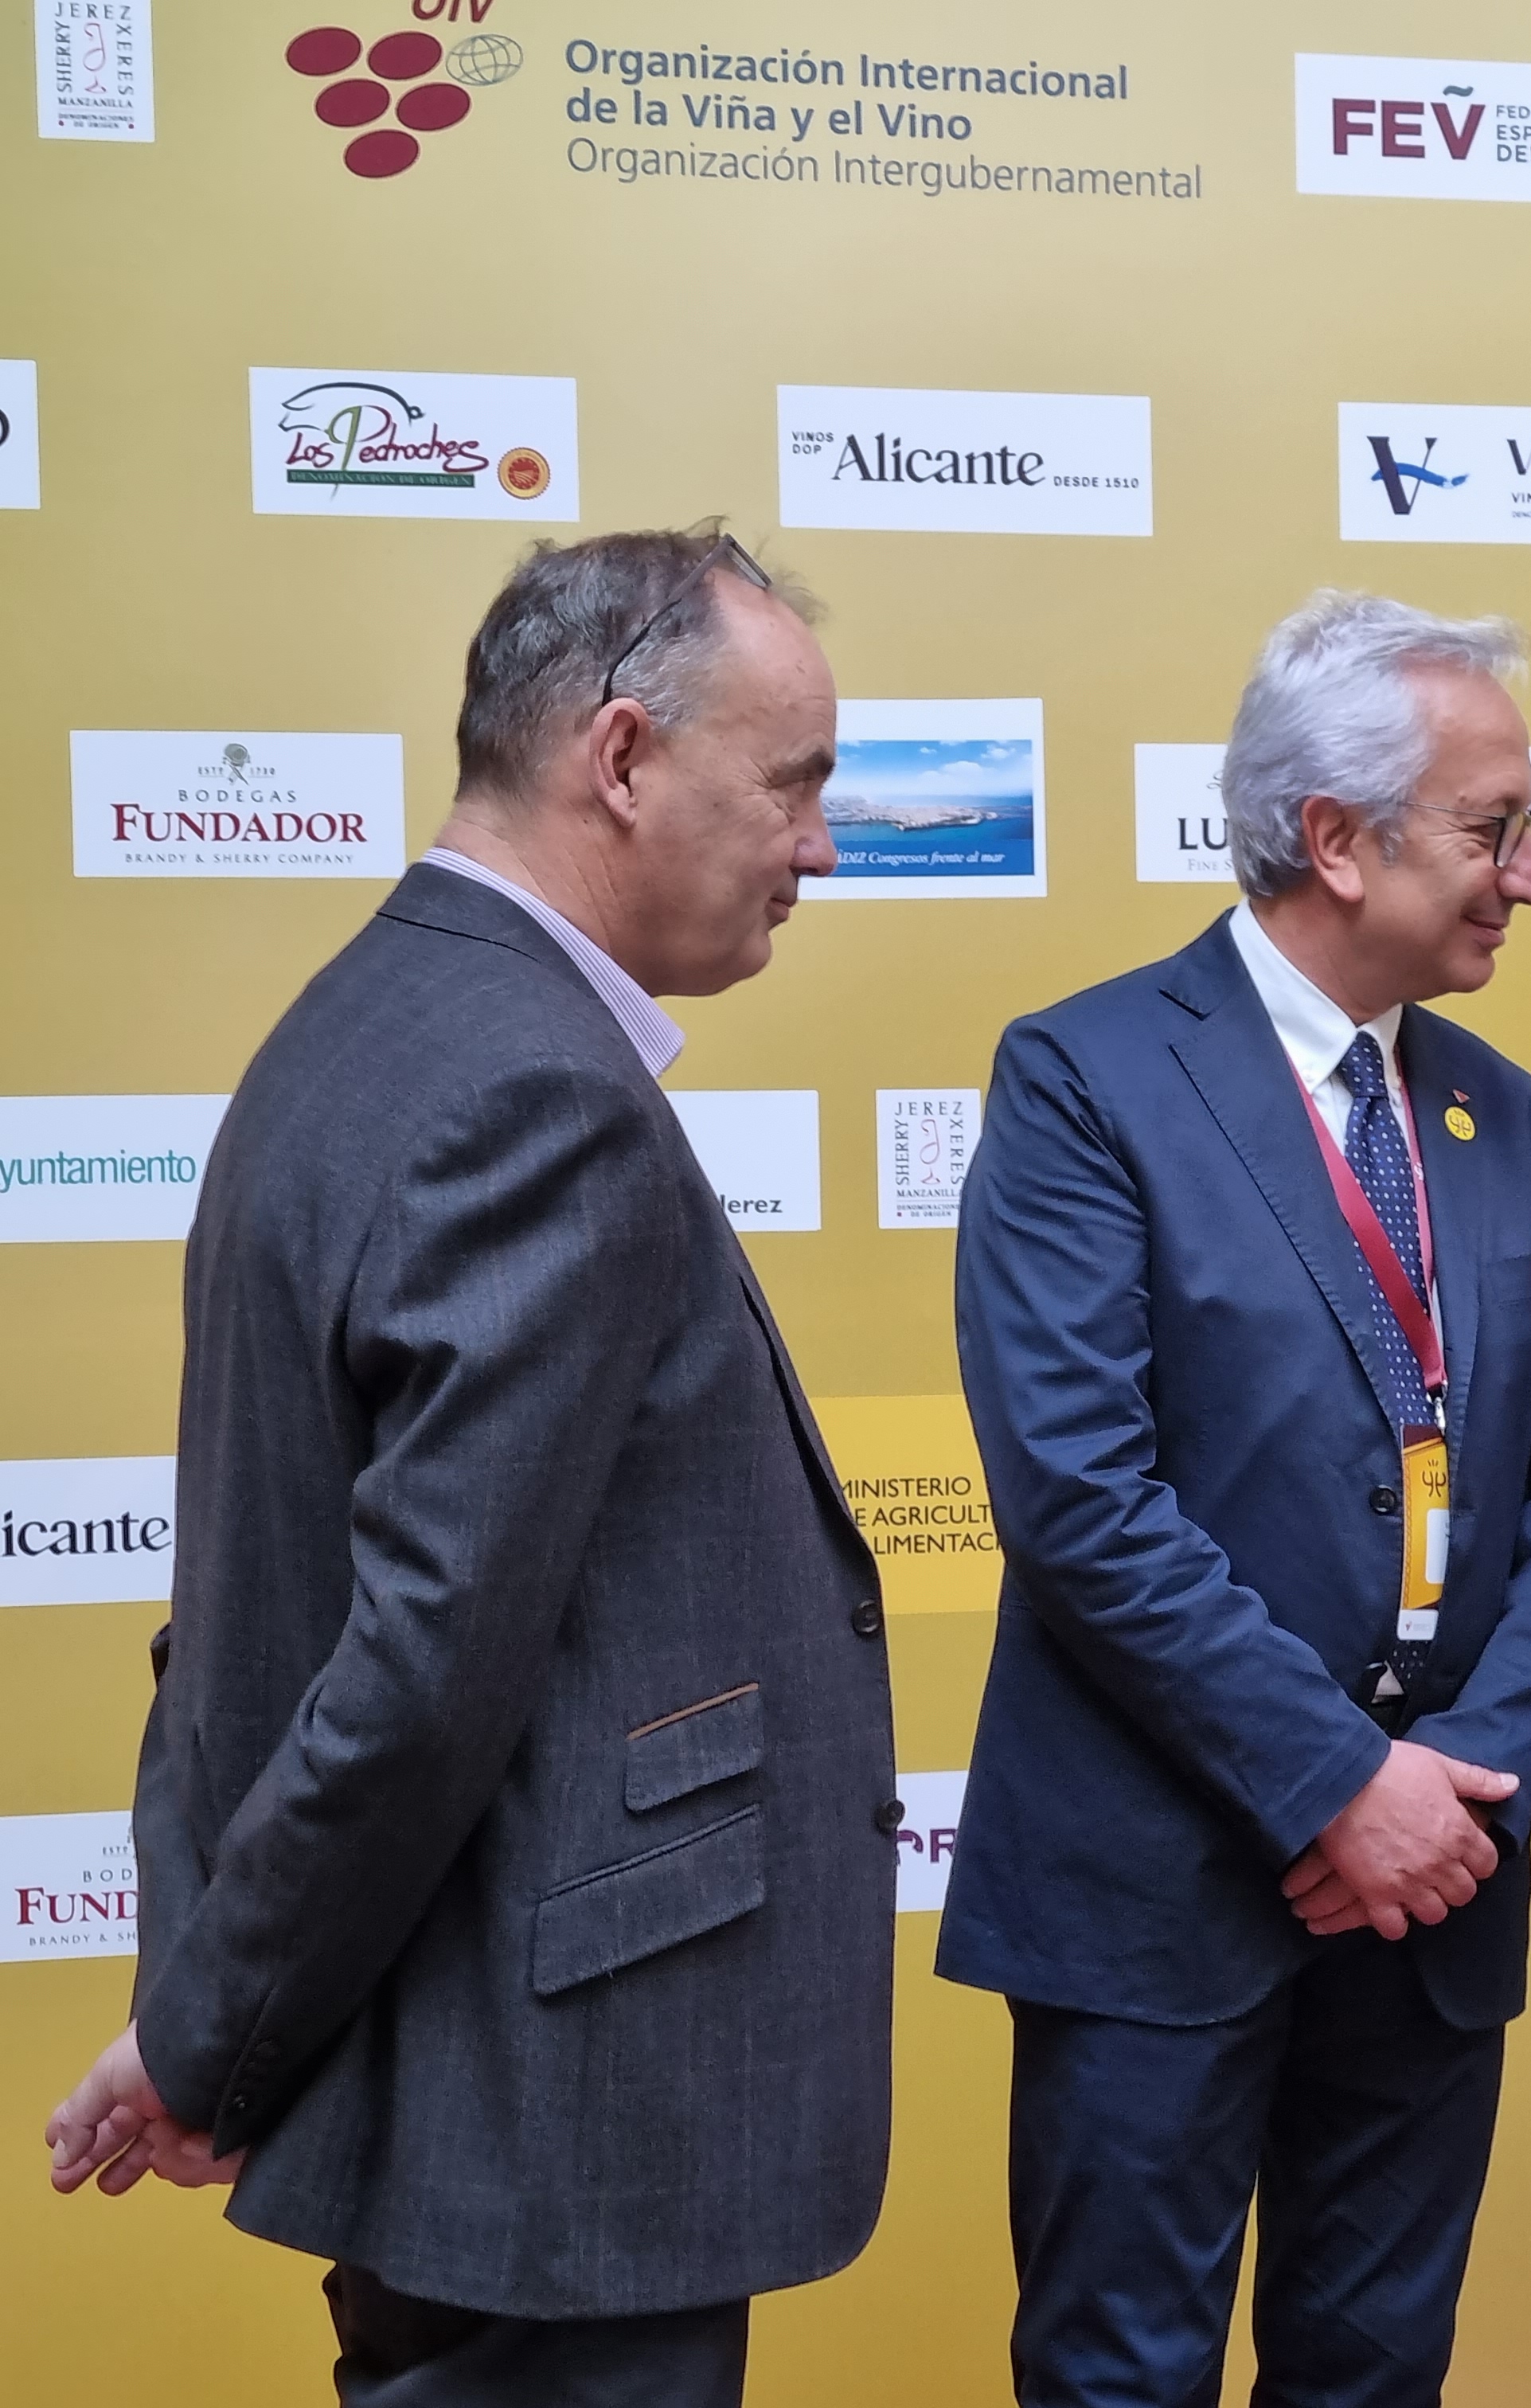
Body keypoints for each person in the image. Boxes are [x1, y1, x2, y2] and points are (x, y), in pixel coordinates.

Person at [40, 527, 900, 2406]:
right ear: (622, 756)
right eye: (795, 784)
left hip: (479, 2087)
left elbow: (285, 1610)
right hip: (562, 2116)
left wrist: (215, 2006)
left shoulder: (366, 1018)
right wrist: (209, 2037)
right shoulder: (540, 1091)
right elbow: (417, 1670)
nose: (823, 847)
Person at [939, 590, 1531, 2408]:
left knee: (1375, 2374)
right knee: (1122, 2380)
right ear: (1337, 838)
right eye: (1494, 829)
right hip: (1155, 1894)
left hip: (1434, 1898)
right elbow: (1082, 1499)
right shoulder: (1088, 1079)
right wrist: (1340, 1784)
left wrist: (1458, 1784)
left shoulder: (1504, 1115)